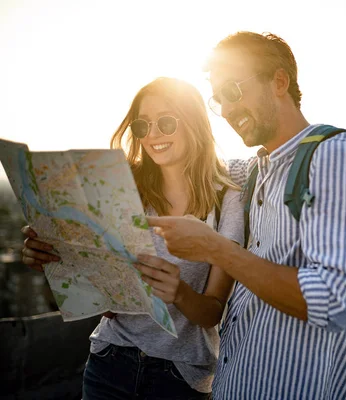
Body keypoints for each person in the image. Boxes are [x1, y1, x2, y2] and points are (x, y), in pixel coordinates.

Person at [147, 32, 346, 399]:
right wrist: (64, 238)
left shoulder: (337, 159)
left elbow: (335, 299)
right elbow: (192, 167)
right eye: (218, 100)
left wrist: (217, 249)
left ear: (280, 81)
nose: (226, 110)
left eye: (233, 91)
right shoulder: (255, 172)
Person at [20, 77, 244, 399]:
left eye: (166, 122)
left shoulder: (227, 200)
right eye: (143, 126)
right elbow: (98, 281)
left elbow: (212, 312)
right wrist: (51, 256)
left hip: (179, 377)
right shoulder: (121, 185)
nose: (153, 135)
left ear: (194, 123)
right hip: (110, 359)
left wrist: (179, 293)